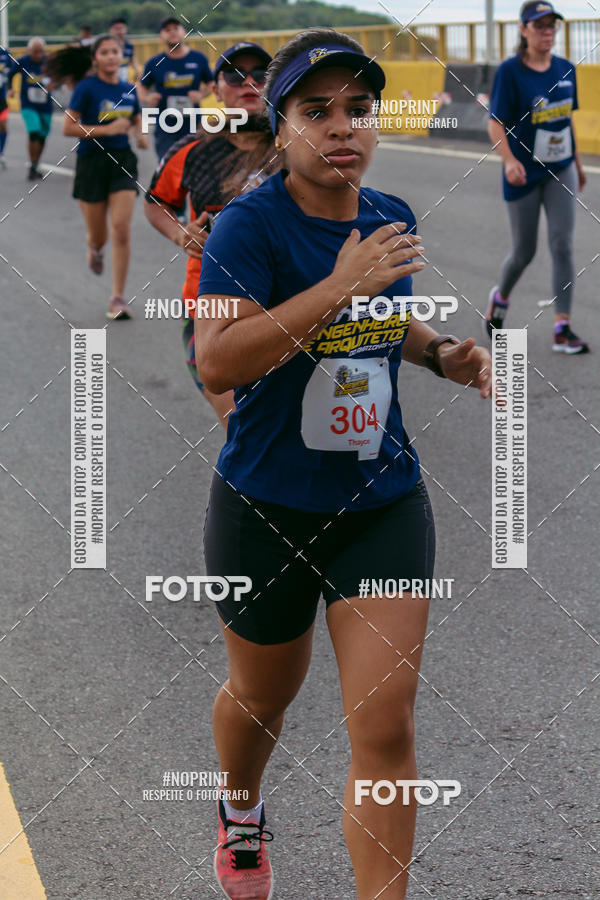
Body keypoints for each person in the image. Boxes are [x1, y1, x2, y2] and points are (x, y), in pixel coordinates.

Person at [195, 27, 492, 900]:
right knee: (260, 697)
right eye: (316, 110)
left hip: (380, 500)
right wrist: (339, 287)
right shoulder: (247, 228)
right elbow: (216, 360)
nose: (342, 127)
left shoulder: (386, 215)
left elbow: (385, 321)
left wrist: (440, 354)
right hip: (267, 504)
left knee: (388, 724)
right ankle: (240, 812)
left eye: (358, 109)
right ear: (282, 125)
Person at [145, 41, 280, 425]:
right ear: (216, 88)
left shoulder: (297, 145)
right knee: (243, 427)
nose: (248, 82)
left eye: (260, 75)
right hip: (211, 306)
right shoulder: (191, 149)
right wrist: (179, 234)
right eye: (235, 75)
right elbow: (155, 202)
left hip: (290, 300)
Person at [486, 0, 588, 353]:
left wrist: (575, 163)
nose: (547, 31)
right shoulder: (511, 72)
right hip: (523, 173)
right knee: (523, 252)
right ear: (523, 30)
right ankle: (500, 298)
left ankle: (563, 327)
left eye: (551, 25)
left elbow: (565, 119)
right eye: (539, 25)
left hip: (560, 170)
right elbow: (495, 122)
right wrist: (509, 161)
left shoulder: (566, 69)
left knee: (562, 244)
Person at [56, 35, 148, 319]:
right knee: (99, 236)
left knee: (121, 229)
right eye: (105, 52)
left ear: (121, 55)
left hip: (122, 161)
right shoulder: (86, 88)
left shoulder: (128, 88)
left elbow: (136, 118)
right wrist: (107, 130)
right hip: (92, 163)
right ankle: (95, 249)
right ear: (95, 59)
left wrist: (141, 135)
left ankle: (118, 297)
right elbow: (68, 128)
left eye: (115, 51)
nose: (111, 56)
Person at [137, 16, 213, 161]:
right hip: (165, 123)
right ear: (161, 36)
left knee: (194, 162)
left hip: (192, 122)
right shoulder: (154, 62)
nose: (172, 32)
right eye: (167, 30)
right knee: (166, 163)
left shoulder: (198, 58)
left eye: (176, 28)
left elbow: (211, 84)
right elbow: (141, 86)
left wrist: (201, 94)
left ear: (183, 32)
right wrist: (147, 98)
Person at [7, 38, 53, 180]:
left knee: (42, 136)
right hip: (28, 104)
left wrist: (55, 84)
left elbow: (59, 76)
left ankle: (35, 163)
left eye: (41, 51)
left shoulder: (49, 62)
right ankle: (33, 165)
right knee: (34, 131)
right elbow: (10, 75)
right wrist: (10, 89)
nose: (38, 55)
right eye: (35, 52)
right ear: (29, 51)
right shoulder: (23, 61)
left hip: (45, 104)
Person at [108, 16, 140, 83]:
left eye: (122, 28)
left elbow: (133, 60)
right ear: (110, 30)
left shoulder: (129, 45)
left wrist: (138, 71)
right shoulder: (106, 47)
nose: (120, 31)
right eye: (117, 29)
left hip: (125, 81)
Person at [0, 43, 10, 168]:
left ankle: (1, 152)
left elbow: (12, 70)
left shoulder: (4, 53)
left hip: (1, 98)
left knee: (2, 125)